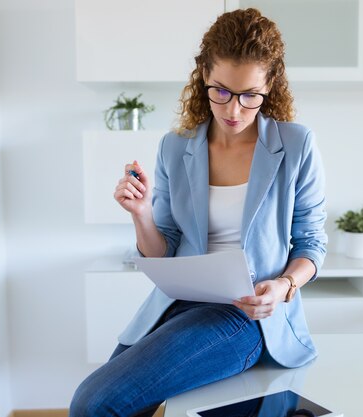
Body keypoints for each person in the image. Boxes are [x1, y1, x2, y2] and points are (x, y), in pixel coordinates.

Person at [70, 8, 327, 417]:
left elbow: (312, 243)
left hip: (246, 314)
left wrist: (283, 286)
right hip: (177, 304)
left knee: (94, 404)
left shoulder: (296, 145)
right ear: (203, 75)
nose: (234, 110)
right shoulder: (176, 146)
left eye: (250, 96)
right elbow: (162, 250)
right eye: (220, 91)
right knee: (94, 401)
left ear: (270, 85)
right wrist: (140, 213)